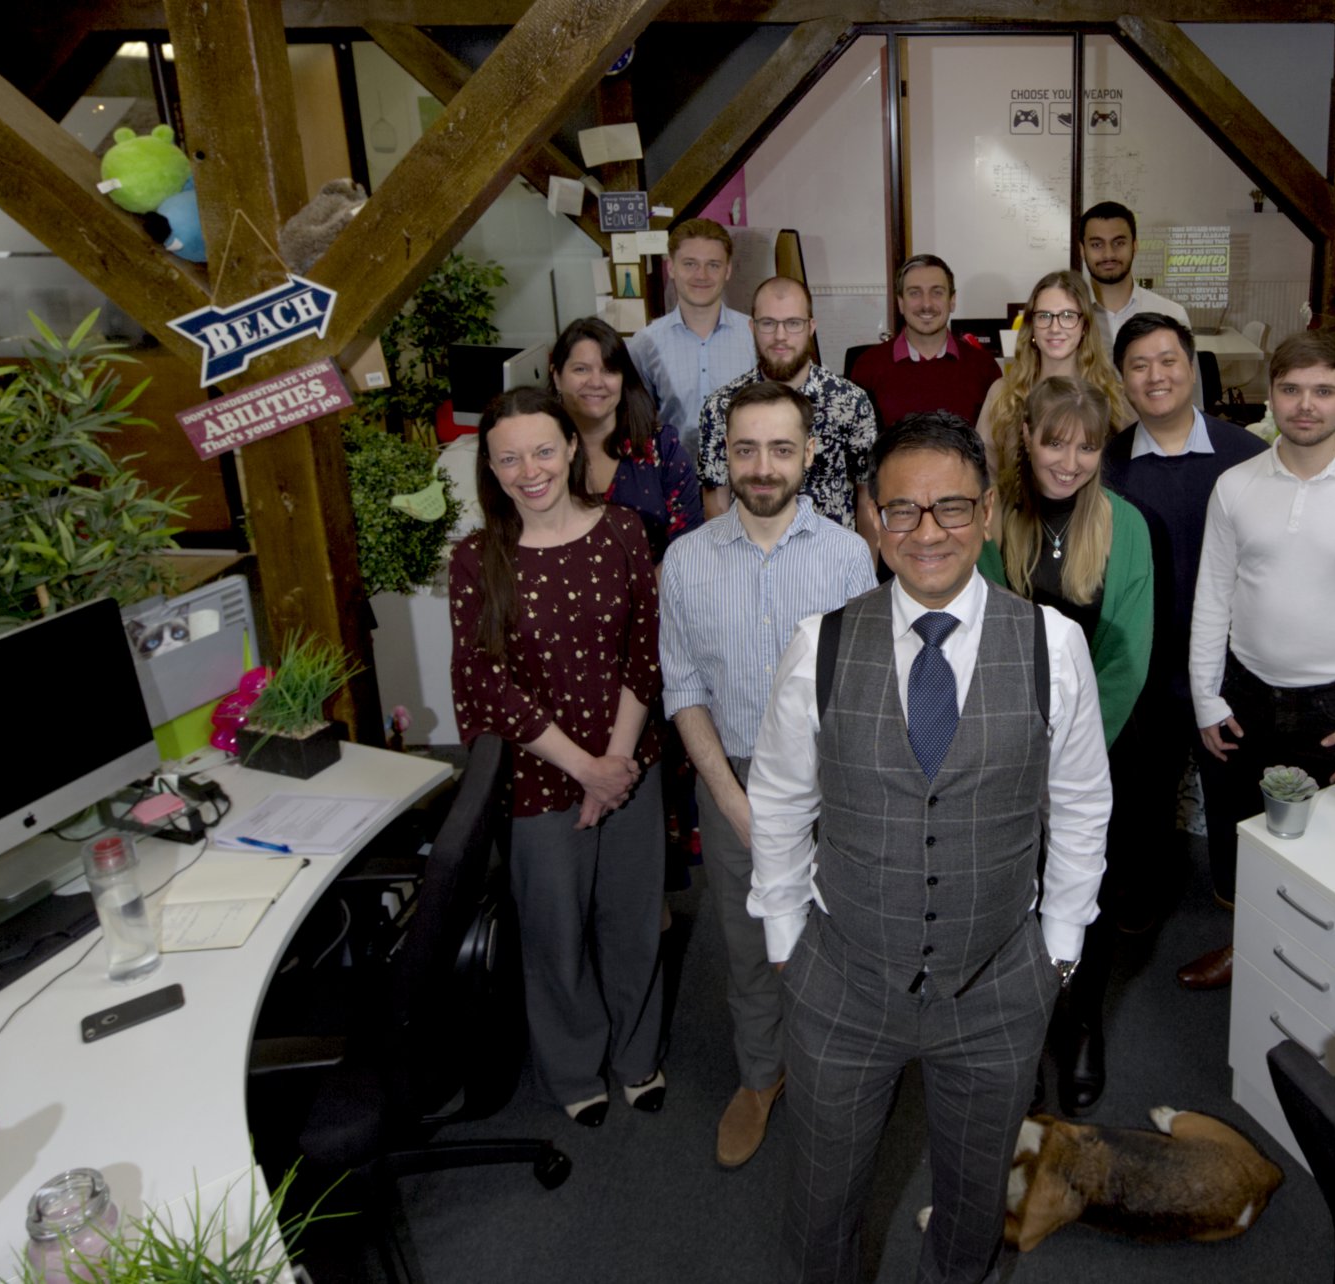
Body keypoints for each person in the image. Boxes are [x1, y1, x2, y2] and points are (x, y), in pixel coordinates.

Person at [747, 412, 1111, 1283]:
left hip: (996, 983)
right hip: (843, 977)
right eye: (901, 511)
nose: (927, 532)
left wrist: (1059, 948)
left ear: (987, 513)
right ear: (871, 518)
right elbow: (780, 800)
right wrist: (786, 938)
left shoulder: (1053, 647)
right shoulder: (819, 645)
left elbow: (1082, 804)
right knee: (822, 1195)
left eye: (950, 508)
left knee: (974, 1198)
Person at [658, 381, 876, 1170]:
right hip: (731, 774)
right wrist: (730, 799)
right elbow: (682, 687)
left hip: (831, 778)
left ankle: (835, 1069)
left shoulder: (850, 556)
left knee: (835, 937)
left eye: (781, 448)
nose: (762, 465)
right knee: (747, 940)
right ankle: (761, 1076)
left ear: (810, 454)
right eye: (745, 448)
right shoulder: (684, 562)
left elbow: (861, 688)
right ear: (725, 453)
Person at [449, 386, 667, 1127]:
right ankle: (576, 1070)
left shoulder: (625, 532)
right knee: (554, 935)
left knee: (632, 923)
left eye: (543, 450)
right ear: (491, 467)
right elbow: (483, 682)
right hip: (542, 780)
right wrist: (585, 768)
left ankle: (637, 1058)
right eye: (508, 458)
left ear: (573, 447)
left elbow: (648, 648)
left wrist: (616, 761)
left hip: (631, 762)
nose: (528, 470)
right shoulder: (478, 559)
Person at [1181, 330, 1335, 990]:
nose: (1305, 405)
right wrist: (1206, 696)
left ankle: (1313, 974)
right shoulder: (1234, 487)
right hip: (1244, 695)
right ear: (1272, 396)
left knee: (1332, 852)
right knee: (1243, 843)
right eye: (1291, 390)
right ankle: (1247, 950)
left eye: (1323, 391)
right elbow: (1213, 596)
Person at [974, 376, 1151, 1116]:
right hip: (1006, 742)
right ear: (1027, 439)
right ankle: (1018, 1028)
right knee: (1011, 895)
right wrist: (1019, 752)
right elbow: (979, 635)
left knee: (1082, 893)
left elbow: (1128, 656)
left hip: (1090, 751)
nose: (1070, 460)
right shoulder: (995, 519)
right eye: (1056, 442)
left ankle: (1080, 1030)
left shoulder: (1126, 525)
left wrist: (1068, 760)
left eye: (1087, 446)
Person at [1102, 312, 1265, 948]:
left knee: (1234, 799)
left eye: (1168, 360)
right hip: (1146, 667)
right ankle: (1139, 905)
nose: (1156, 375)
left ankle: (1244, 926)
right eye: (1139, 365)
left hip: (1230, 670)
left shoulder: (1246, 455)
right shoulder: (1108, 465)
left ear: (1191, 367)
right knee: (1142, 799)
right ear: (1122, 380)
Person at [698, 277, 879, 542]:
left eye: (793, 323)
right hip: (750, 561)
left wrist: (867, 576)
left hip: (831, 565)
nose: (780, 336)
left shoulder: (850, 402)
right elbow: (717, 504)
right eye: (768, 323)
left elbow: (868, 498)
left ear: (811, 327)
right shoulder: (721, 407)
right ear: (752, 327)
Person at [551, 316, 702, 561]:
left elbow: (690, 545)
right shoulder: (540, 454)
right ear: (557, 376)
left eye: (609, 370)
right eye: (581, 369)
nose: (596, 382)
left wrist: (643, 596)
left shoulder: (662, 449)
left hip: (660, 592)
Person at [974, 268, 1129, 474]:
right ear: (1032, 326)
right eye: (1044, 316)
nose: (1055, 328)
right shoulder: (1002, 394)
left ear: (1084, 326)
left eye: (1067, 315)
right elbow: (983, 475)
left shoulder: (1113, 396)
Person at [627, 218, 754, 461]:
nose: (701, 275)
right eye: (690, 264)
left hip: (743, 482)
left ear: (728, 270)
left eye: (713, 265)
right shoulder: (645, 344)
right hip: (673, 485)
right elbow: (637, 422)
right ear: (671, 268)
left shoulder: (753, 335)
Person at [848, 253, 1001, 429]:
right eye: (915, 293)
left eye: (937, 292)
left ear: (952, 301)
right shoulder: (868, 366)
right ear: (900, 303)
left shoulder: (985, 368)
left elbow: (995, 447)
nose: (926, 304)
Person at [1080, 201, 1207, 408]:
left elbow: (1192, 400)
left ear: (1135, 246)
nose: (1109, 254)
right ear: (1082, 250)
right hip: (1086, 437)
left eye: (1119, 242)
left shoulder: (1171, 314)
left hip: (1153, 436)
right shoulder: (1068, 318)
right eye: (1097, 244)